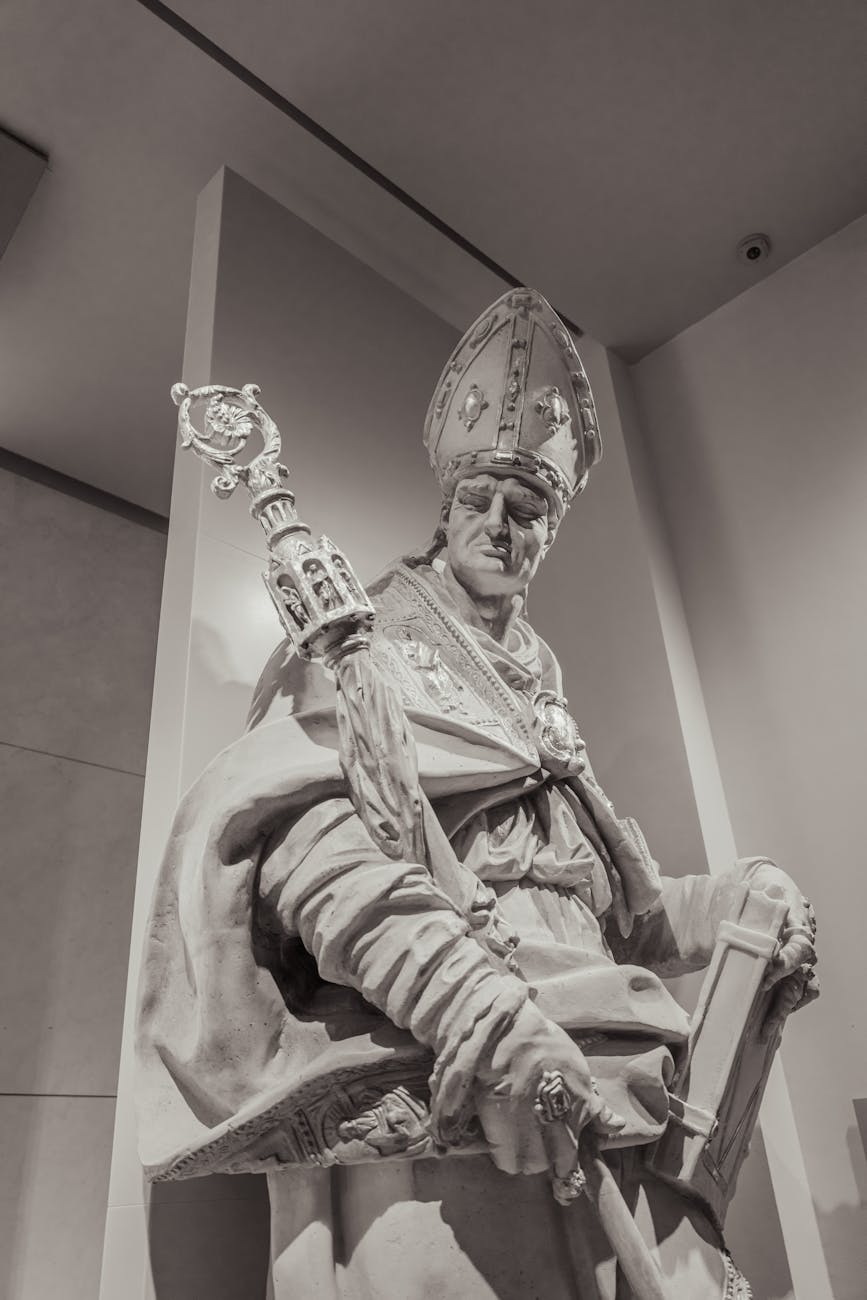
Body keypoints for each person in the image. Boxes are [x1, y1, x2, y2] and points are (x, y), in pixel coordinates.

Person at [137, 289, 817, 1298]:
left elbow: (610, 921)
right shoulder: (360, 647)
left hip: (607, 1088)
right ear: (446, 506)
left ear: (549, 533)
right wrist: (478, 1014)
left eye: (527, 509)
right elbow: (315, 857)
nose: (499, 523)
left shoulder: (540, 694)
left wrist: (739, 904)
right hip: (456, 1095)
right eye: (479, 498)